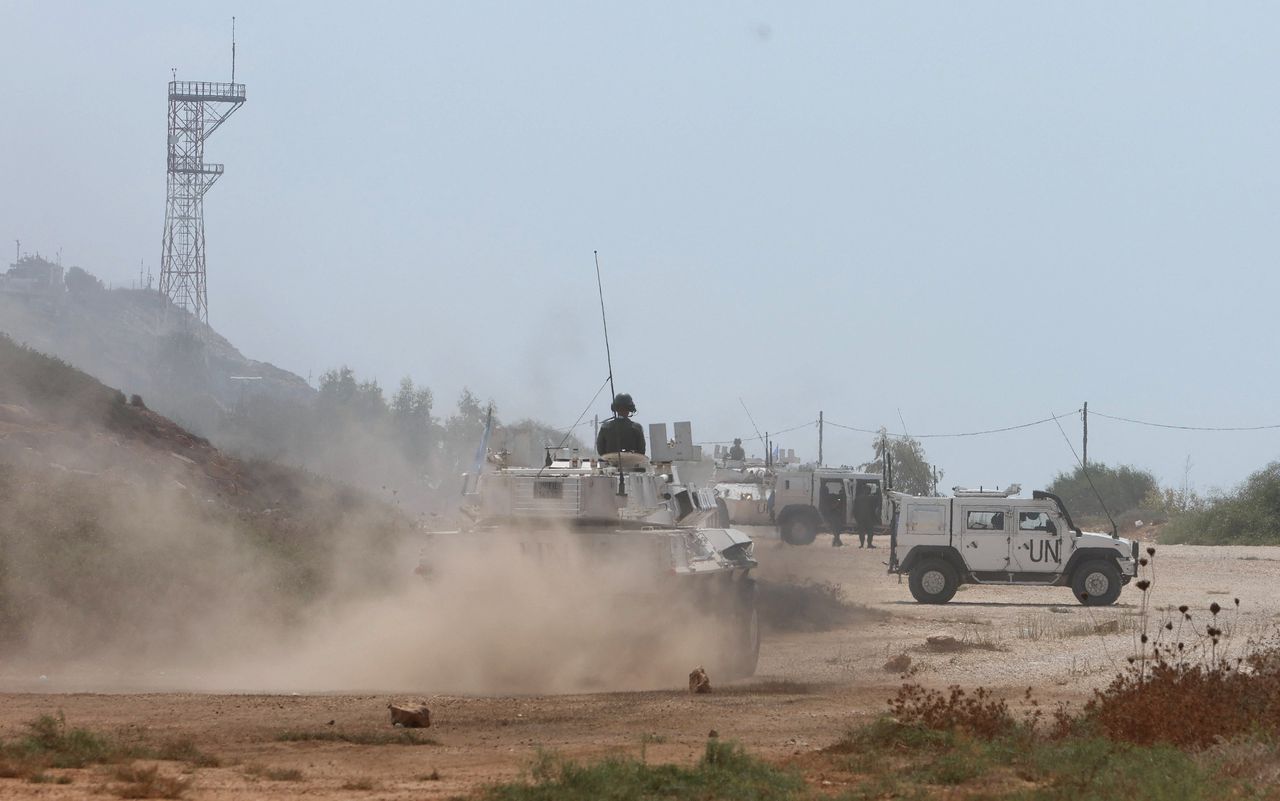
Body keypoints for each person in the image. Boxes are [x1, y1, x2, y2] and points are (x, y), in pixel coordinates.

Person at [596, 392, 646, 457]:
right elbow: (641, 451)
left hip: (610, 464)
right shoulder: (637, 427)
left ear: (614, 408)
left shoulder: (605, 427)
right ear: (631, 409)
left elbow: (600, 450)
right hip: (632, 464)